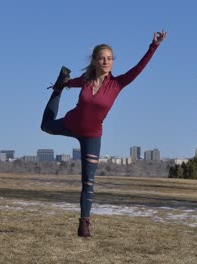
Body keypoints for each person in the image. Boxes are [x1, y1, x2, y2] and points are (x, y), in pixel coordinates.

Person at [41, 30, 167, 238]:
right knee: (45, 126)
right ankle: (56, 91)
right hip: (71, 124)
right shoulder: (85, 79)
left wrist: (153, 46)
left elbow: (138, 68)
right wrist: (62, 84)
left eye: (109, 58)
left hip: (92, 136)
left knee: (88, 181)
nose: (106, 61)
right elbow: (71, 83)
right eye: (102, 58)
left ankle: (84, 224)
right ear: (95, 61)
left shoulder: (117, 84)